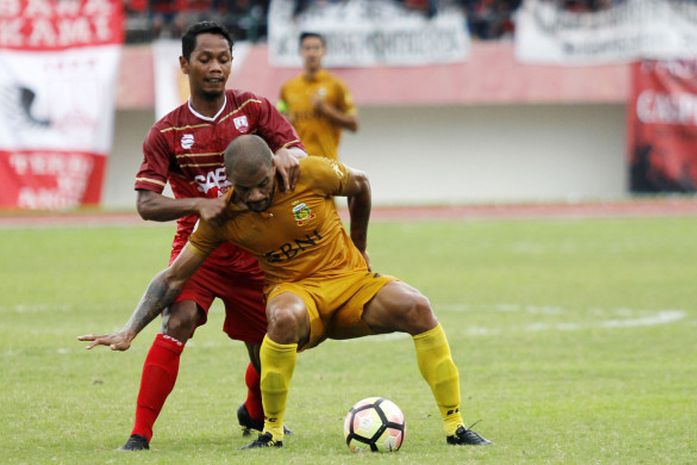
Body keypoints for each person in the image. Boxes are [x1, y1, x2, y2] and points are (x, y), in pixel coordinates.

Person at [79, 134, 492, 449]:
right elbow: (172, 277)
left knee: (417, 305)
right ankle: (271, 433)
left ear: (273, 167)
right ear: (231, 183)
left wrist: (361, 245)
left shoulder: (307, 173)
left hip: (351, 285)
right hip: (296, 294)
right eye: (245, 189)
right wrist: (130, 329)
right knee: (281, 316)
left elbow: (361, 184)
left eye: (261, 184)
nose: (255, 196)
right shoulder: (224, 215)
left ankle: (455, 426)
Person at [78, 21, 305, 451]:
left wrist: (284, 152)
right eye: (205, 59)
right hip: (200, 246)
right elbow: (147, 203)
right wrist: (198, 204)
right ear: (185, 64)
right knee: (178, 320)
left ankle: (256, 413)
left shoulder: (254, 109)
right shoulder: (166, 132)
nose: (216, 67)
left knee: (265, 342)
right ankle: (139, 435)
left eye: (224, 58)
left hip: (253, 245)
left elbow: (297, 151)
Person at [277, 31, 358, 160]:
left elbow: (354, 124)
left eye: (316, 48)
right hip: (300, 163)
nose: (311, 53)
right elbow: (279, 120)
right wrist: (285, 120)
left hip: (328, 162)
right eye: (307, 48)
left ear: (324, 51)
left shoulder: (336, 85)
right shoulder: (288, 88)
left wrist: (326, 110)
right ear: (300, 51)